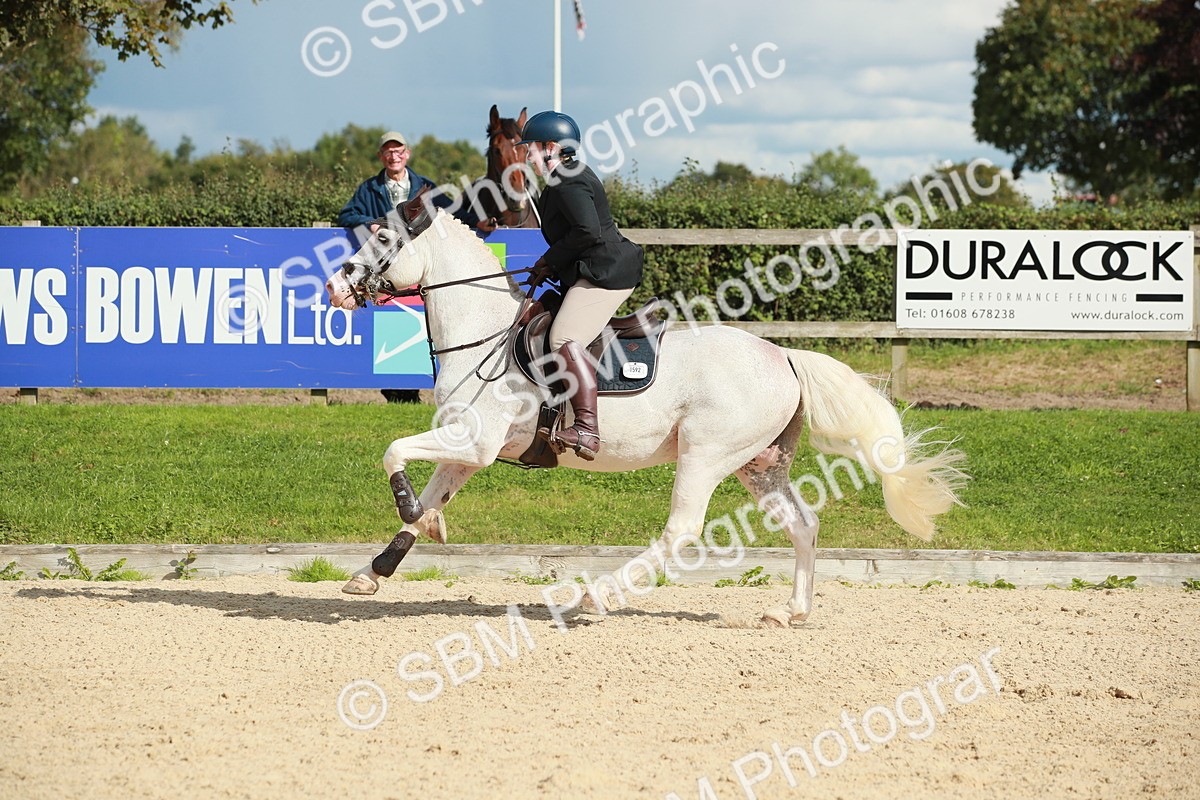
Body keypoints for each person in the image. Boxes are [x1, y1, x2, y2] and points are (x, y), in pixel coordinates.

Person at [520, 110, 643, 461]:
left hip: (606, 273)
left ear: (551, 147)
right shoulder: (567, 174)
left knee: (563, 338)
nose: (527, 157)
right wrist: (549, 264)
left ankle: (587, 429)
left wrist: (550, 259)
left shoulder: (568, 178)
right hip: (592, 269)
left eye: (531, 149)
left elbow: (587, 232)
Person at [338, 131, 469, 403]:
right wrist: (372, 223)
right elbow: (347, 214)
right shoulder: (368, 188)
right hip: (388, 270)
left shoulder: (426, 186)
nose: (393, 156)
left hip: (420, 266)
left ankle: (421, 386)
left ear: (407, 154)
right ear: (381, 156)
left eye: (398, 151)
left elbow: (450, 217)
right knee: (393, 325)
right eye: (388, 151)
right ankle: (397, 391)